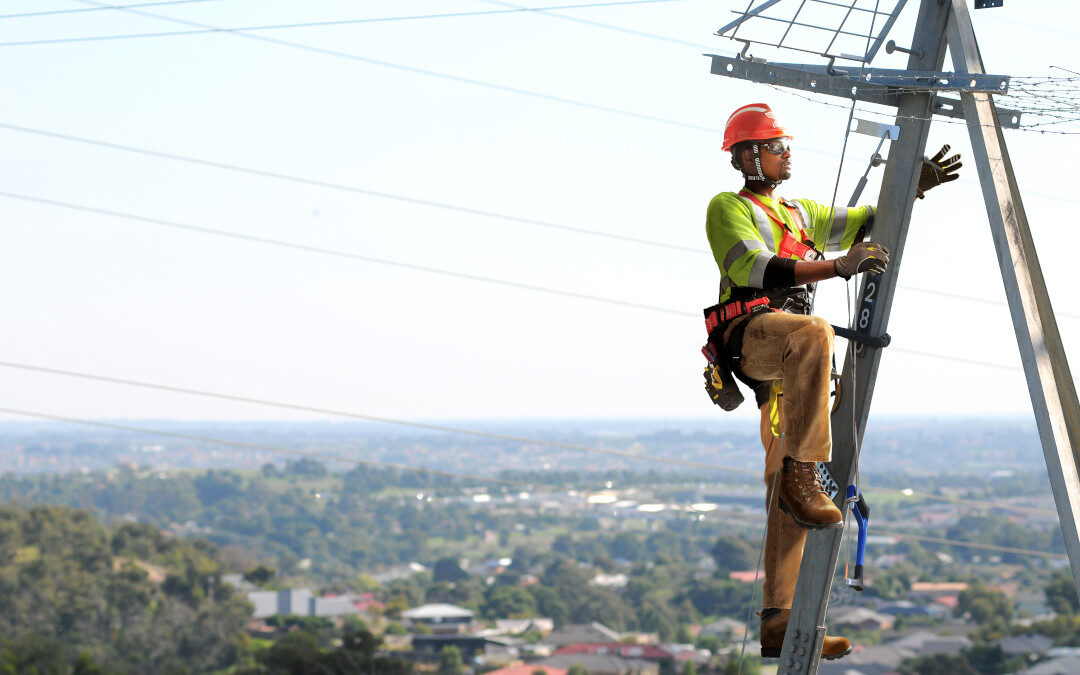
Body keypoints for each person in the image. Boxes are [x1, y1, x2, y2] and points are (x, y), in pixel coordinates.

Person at [702, 103, 959, 660]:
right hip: (751, 336)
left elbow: (863, 221)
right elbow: (756, 269)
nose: (786, 152)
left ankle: (779, 619)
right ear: (747, 157)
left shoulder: (798, 213)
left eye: (785, 144)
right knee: (815, 332)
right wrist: (840, 266)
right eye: (775, 145)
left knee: (782, 484)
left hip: (793, 356)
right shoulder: (728, 207)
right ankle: (803, 475)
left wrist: (913, 185)